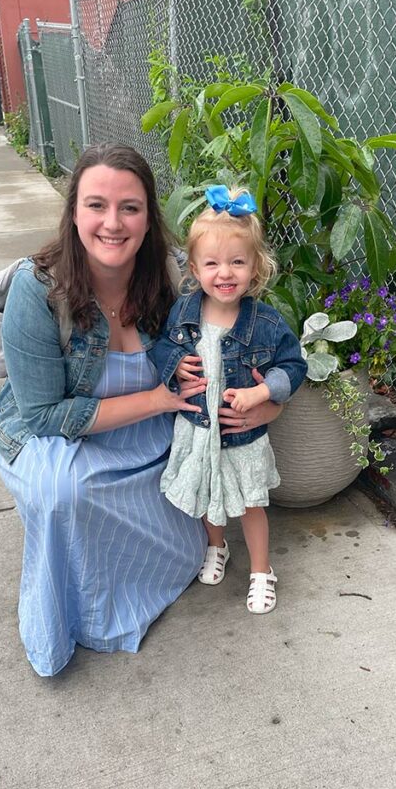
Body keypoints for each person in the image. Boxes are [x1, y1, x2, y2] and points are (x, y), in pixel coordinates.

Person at [0, 145, 282, 677]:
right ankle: (71, 613)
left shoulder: (175, 278)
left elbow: (247, 351)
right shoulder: (38, 291)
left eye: (130, 207)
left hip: (154, 435)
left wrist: (265, 408)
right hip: (66, 435)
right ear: (73, 211)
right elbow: (44, 416)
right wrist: (161, 399)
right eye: (96, 205)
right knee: (63, 495)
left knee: (187, 520)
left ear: (149, 218)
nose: (112, 223)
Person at [153, 186, 307, 615]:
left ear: (255, 266)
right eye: (213, 263)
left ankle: (262, 570)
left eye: (237, 262)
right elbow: (160, 346)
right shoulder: (184, 312)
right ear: (195, 268)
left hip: (243, 435)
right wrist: (174, 364)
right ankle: (216, 547)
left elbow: (294, 366)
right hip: (198, 430)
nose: (225, 272)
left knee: (252, 503)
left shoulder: (266, 322)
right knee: (209, 496)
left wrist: (263, 392)